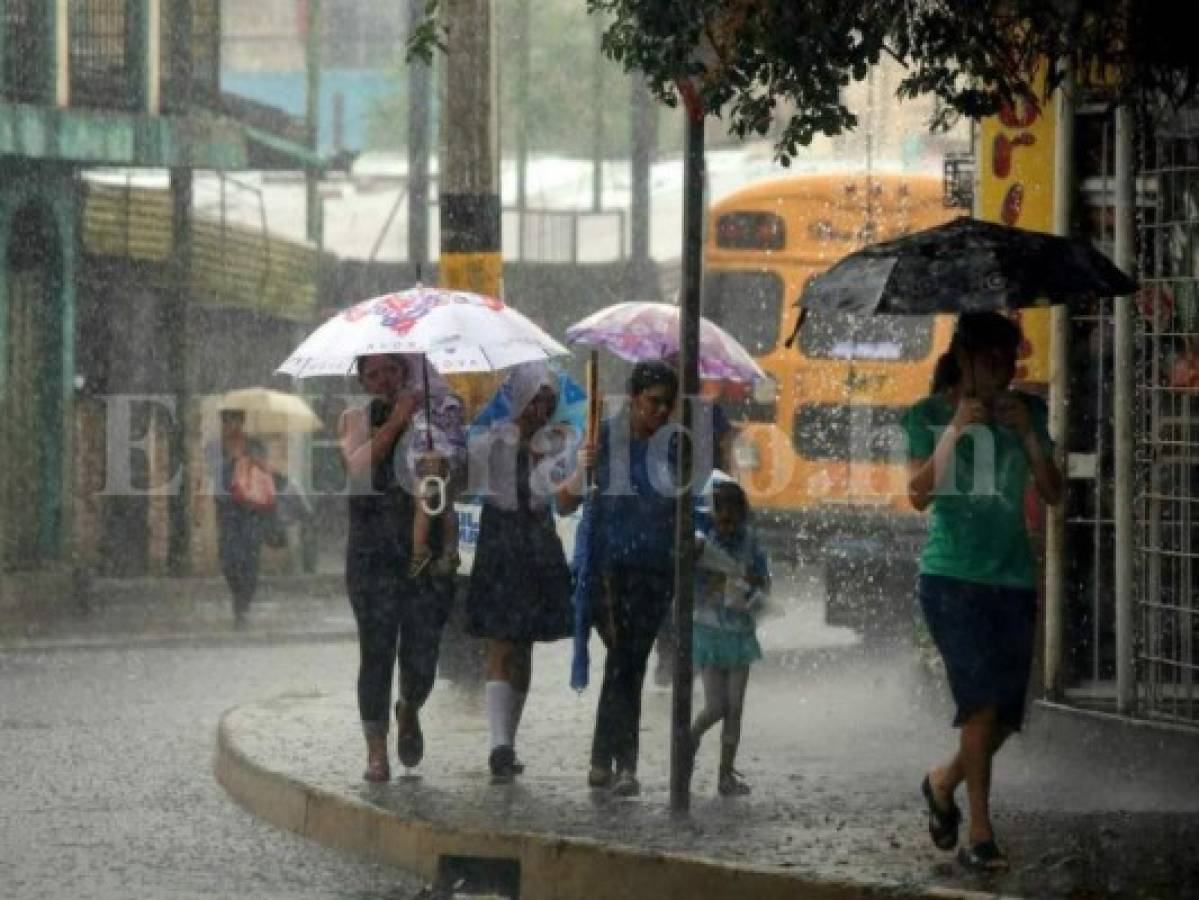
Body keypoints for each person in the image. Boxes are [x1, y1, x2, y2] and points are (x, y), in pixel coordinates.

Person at [902, 312, 1063, 872]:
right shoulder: (925, 416)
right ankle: (980, 831)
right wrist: (956, 430)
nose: (1001, 372)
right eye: (989, 360)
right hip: (951, 579)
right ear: (964, 360)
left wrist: (1027, 436)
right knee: (981, 705)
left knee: (1006, 717)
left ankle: (942, 782)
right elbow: (919, 494)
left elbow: (1054, 491)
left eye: (1008, 361)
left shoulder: (1030, 414)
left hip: (1012, 578)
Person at [560, 360, 679, 797]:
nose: (661, 411)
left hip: (656, 571)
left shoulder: (675, 446)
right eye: (653, 402)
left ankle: (605, 760)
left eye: (668, 404)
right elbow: (563, 503)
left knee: (630, 662)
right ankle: (620, 762)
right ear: (634, 398)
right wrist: (581, 469)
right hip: (609, 572)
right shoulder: (601, 436)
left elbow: (687, 505)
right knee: (624, 661)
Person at [339, 353, 460, 783]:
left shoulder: (432, 415)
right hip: (370, 555)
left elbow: (451, 480)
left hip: (419, 555)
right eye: (373, 373)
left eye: (391, 369)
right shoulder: (355, 418)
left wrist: (438, 461)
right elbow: (357, 466)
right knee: (376, 653)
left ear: (405, 370)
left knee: (422, 652)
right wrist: (396, 423)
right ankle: (376, 750)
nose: (384, 379)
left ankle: (409, 705)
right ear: (362, 380)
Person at [465, 362, 575, 780]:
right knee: (501, 643)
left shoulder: (559, 445)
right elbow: (461, 481)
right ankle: (497, 743)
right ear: (518, 400)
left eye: (548, 402)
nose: (540, 410)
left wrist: (572, 464)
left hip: (539, 544)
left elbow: (565, 500)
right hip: (501, 542)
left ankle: (508, 743)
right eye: (534, 400)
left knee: (524, 645)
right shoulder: (491, 442)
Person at [688, 474, 770, 796]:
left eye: (733, 521)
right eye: (722, 521)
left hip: (739, 633)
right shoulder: (703, 542)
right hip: (709, 631)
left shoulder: (750, 542)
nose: (727, 527)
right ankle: (691, 739)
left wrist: (752, 582)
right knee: (715, 707)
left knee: (735, 707)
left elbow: (762, 579)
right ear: (713, 516)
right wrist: (713, 584)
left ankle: (725, 773)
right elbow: (693, 586)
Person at [206, 408, 269, 628]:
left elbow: (264, 470)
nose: (231, 426)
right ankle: (237, 595)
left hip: (251, 509)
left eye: (235, 421)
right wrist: (231, 462)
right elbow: (214, 473)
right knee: (229, 559)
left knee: (250, 559)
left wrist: (248, 460)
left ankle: (242, 606)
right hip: (227, 509)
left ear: (242, 423)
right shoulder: (214, 447)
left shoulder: (255, 445)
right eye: (226, 422)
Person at [409, 388, 467, 578]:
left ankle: (421, 552)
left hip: (427, 457)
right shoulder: (451, 402)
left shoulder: (420, 400)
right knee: (446, 506)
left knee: (425, 507)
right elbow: (457, 433)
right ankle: (449, 550)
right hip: (444, 457)